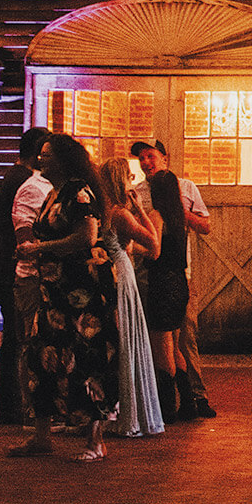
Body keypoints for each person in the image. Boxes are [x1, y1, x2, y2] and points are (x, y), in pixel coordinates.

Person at [9, 133, 115, 462]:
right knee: (41, 357)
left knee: (86, 361)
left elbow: (86, 237)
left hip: (80, 294)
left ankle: (95, 440)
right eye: (40, 155)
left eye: (47, 155)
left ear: (64, 159)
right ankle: (42, 436)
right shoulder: (53, 194)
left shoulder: (78, 192)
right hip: (52, 293)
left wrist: (39, 248)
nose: (41, 160)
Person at [132, 140, 217, 419]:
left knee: (173, 342)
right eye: (141, 158)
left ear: (164, 157)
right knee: (170, 343)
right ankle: (185, 403)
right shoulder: (144, 198)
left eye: (151, 156)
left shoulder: (181, 193)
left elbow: (203, 227)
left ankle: (181, 402)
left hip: (166, 279)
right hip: (168, 277)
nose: (146, 162)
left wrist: (135, 246)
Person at [95, 158, 163, 438]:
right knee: (128, 339)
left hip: (107, 274)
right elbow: (154, 245)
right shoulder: (121, 214)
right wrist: (140, 210)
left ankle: (114, 408)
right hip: (122, 274)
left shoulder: (100, 212)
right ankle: (132, 412)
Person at [0, 127, 51, 425]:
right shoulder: (23, 182)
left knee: (13, 339)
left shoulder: (12, 178)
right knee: (17, 340)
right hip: (10, 270)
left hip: (3, 268)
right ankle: (12, 407)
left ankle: (11, 406)